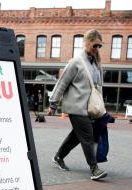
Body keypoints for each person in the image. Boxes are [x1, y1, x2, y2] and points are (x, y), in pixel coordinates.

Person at [48, 28, 107, 181]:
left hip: (89, 108)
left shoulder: (95, 64)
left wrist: (102, 109)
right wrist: (53, 103)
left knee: (76, 136)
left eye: (100, 46)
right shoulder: (76, 62)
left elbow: (97, 88)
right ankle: (94, 169)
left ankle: (58, 156)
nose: (97, 49)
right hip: (76, 107)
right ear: (87, 43)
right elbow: (62, 83)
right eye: (95, 45)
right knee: (87, 136)